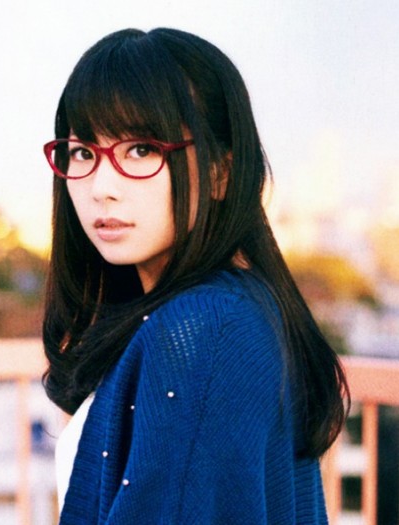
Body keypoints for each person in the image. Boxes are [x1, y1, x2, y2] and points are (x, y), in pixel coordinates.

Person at [41, 28, 349, 524]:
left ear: (221, 173)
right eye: (83, 152)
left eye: (141, 149)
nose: (101, 186)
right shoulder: (236, 306)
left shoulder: (203, 330)